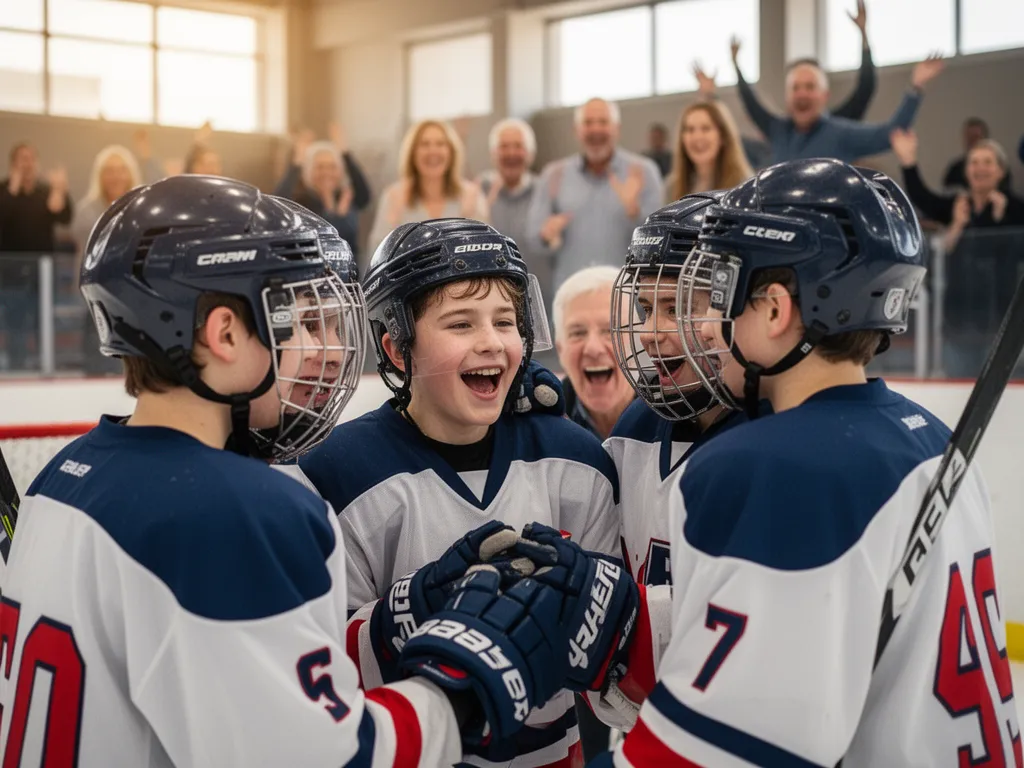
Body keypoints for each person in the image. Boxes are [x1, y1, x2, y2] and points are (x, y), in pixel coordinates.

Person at [0, 178, 570, 765]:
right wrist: (467, 685)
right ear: (223, 333)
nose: (324, 351)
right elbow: (330, 758)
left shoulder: (58, 480)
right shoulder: (242, 511)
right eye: (297, 324)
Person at [603, 158, 1020, 765]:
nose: (707, 325)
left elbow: (705, 756)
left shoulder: (771, 467)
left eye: (721, 292)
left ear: (774, 310)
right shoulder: (932, 438)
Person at [293, 218, 621, 767]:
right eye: (461, 323)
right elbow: (324, 675)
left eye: (505, 321)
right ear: (398, 349)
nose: (492, 341)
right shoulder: (337, 474)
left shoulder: (577, 460)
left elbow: (612, 674)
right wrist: (414, 610)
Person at [729, 32, 944, 164]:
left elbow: (892, 133)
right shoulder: (777, 131)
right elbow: (751, 103)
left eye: (810, 86)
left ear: (825, 96)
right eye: (796, 88)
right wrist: (736, 66)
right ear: (787, 97)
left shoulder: (841, 134)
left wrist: (915, 88)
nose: (802, 93)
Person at [526, 98, 662, 296]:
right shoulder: (553, 175)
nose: (596, 129)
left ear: (617, 128)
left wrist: (635, 212)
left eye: (603, 122)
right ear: (576, 130)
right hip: (572, 296)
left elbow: (659, 240)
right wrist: (546, 235)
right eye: (588, 123)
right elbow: (533, 237)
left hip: (629, 297)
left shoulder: (642, 172)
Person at [71, 144, 146, 374]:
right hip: (96, 298)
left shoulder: (143, 208)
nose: (115, 176)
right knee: (95, 358)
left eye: (121, 169)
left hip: (133, 297)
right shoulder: (86, 210)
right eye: (109, 170)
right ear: (100, 175)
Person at [0, 142, 72, 371]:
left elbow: (64, 217)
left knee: (44, 320)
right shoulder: (4, 190)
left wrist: (60, 191)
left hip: (43, 272)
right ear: (13, 163)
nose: (27, 163)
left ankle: (45, 364)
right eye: (22, 158)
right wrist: (13, 186)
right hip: (11, 274)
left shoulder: (45, 191)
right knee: (16, 323)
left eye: (31, 158)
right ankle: (16, 365)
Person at [890, 128, 1024, 250]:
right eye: (974, 162)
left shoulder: (1015, 207)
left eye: (988, 162)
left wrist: (1000, 218)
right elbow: (923, 198)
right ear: (966, 171)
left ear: (1001, 171)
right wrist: (908, 161)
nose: (980, 168)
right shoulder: (959, 204)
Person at [367, 120, 488, 253]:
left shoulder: (472, 195)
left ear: (451, 152)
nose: (432, 151)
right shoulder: (393, 196)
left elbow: (488, 255)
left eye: (440, 144)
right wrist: (393, 222)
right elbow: (374, 256)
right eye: (425, 144)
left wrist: (471, 220)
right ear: (412, 153)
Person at [477, 118, 550, 316]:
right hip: (490, 304)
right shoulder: (477, 192)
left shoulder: (547, 192)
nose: (511, 153)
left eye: (518, 146)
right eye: (504, 146)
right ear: (493, 154)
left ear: (531, 153)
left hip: (541, 302)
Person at [553, 266, 635, 439]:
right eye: (578, 333)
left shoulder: (676, 420)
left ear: (637, 342)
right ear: (560, 349)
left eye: (609, 331)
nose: (593, 349)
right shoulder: (538, 431)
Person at [274, 123, 372, 258]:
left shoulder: (345, 197)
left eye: (332, 167)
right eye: (320, 167)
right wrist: (297, 164)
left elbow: (365, 197)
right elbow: (276, 206)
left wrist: (345, 153)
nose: (326, 173)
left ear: (340, 171)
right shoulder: (302, 199)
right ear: (309, 171)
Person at [662, 101, 752, 203]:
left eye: (706, 128)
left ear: (723, 137)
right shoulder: (671, 188)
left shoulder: (744, 187)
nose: (697, 137)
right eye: (690, 129)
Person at [942, 117, 1011, 192]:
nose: (980, 169)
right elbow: (947, 192)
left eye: (988, 162)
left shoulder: (1000, 164)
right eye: (969, 137)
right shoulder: (955, 168)